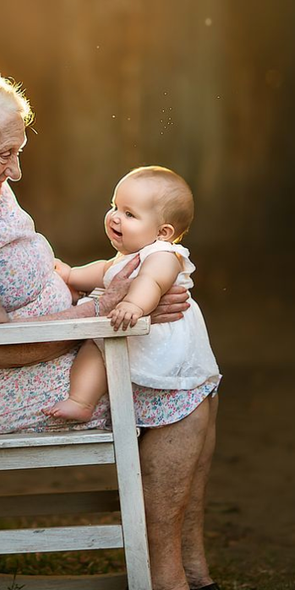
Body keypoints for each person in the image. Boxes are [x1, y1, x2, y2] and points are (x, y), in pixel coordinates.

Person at [0, 63, 267, 590]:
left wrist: (109, 292)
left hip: (40, 348)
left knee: (196, 386)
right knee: (176, 390)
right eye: (4, 155)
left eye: (16, 151)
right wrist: (106, 308)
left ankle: (195, 577)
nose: (16, 169)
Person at [49, 166, 221, 423]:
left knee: (98, 347)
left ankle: (95, 401)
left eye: (129, 214)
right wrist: (71, 274)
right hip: (127, 330)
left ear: (163, 233)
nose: (115, 217)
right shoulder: (128, 257)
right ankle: (81, 400)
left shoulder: (163, 254)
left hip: (157, 338)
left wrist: (133, 304)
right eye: (114, 206)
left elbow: (151, 281)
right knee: (94, 348)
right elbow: (104, 271)